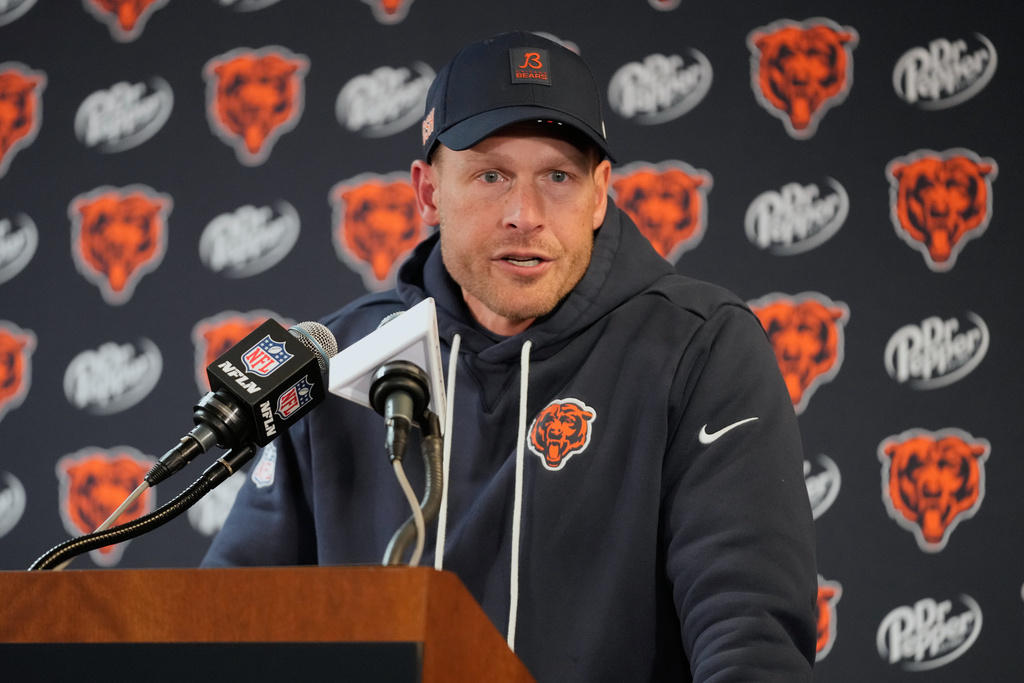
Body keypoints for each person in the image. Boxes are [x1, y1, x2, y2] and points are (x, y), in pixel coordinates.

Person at [203, 31, 817, 681]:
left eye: (558, 175)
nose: (524, 214)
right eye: (491, 174)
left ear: (600, 191)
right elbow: (230, 628)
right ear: (428, 191)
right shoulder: (337, 367)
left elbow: (749, 640)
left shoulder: (700, 347)